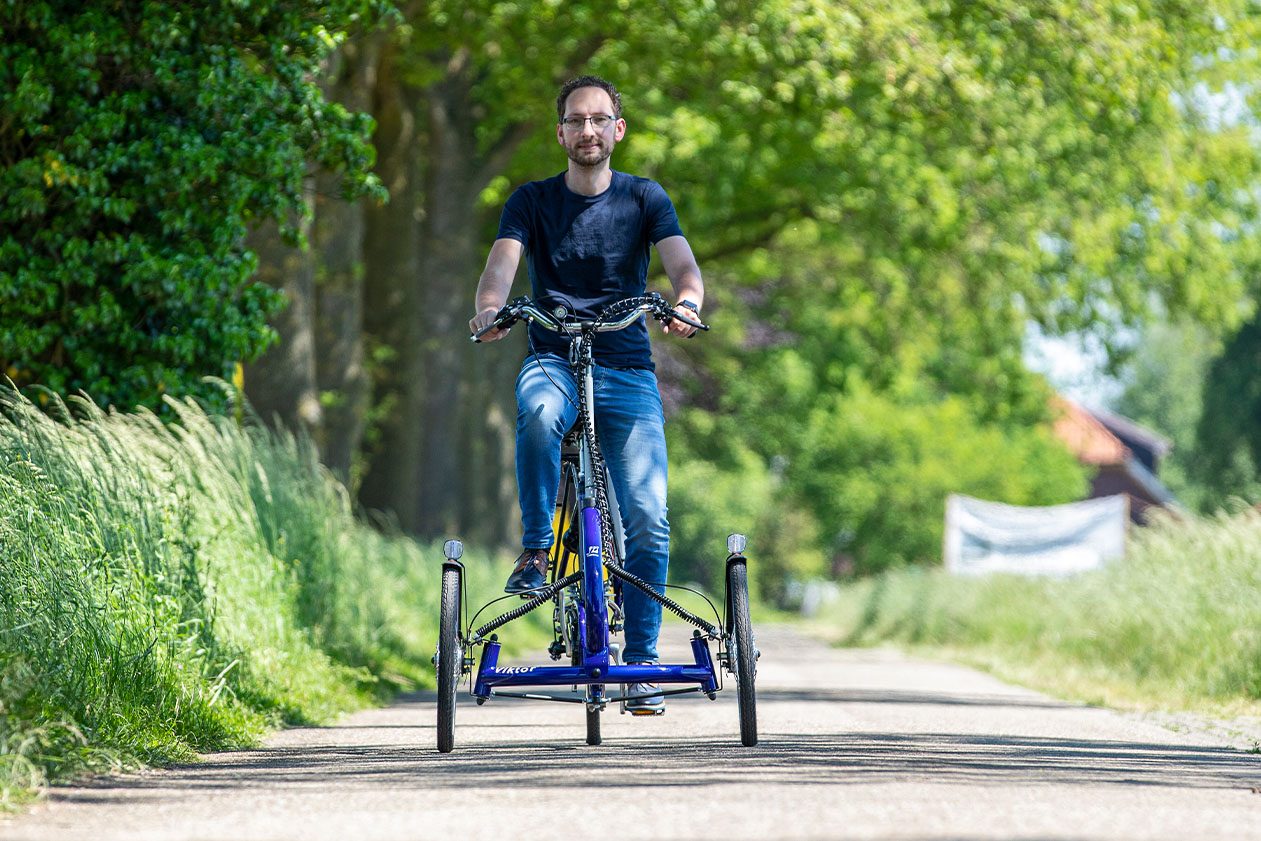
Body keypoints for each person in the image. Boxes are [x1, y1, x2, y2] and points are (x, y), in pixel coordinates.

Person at [468, 75, 704, 714]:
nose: (589, 130)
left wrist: (686, 302)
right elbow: (502, 267)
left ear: (618, 129)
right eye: (576, 120)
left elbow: (683, 267)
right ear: (561, 132)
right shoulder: (531, 200)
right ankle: (540, 548)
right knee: (540, 412)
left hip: (626, 367)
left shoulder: (644, 198)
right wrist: (490, 309)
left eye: (600, 119)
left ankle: (642, 661)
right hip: (554, 356)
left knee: (649, 516)